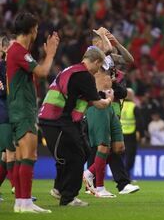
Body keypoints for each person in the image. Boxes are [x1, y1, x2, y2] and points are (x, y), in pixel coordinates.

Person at [39, 46, 113, 206]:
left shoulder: (73, 70)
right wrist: (108, 100)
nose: (97, 71)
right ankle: (69, 196)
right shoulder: (84, 75)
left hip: (60, 120)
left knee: (82, 151)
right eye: (99, 67)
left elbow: (82, 96)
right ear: (96, 61)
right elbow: (98, 104)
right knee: (76, 156)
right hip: (57, 120)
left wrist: (100, 97)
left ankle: (60, 189)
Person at [6, 12, 59, 213]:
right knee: (29, 155)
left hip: (17, 108)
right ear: (32, 30)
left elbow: (37, 76)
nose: (37, 32)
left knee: (21, 157)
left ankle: (20, 203)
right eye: (36, 29)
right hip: (23, 109)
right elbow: (43, 72)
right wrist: (51, 54)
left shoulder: (15, 50)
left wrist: (45, 57)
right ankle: (26, 201)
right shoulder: (19, 50)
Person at [84, 28, 139, 196]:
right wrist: (102, 35)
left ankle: (91, 175)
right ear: (96, 43)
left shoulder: (108, 58)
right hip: (98, 102)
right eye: (103, 39)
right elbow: (106, 49)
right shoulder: (91, 54)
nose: (106, 41)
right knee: (104, 146)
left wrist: (117, 42)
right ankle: (103, 184)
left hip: (109, 104)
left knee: (117, 147)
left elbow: (129, 60)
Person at [0, 33, 15, 202]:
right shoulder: (2, 67)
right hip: (4, 114)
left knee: (5, 155)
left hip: (11, 113)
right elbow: (4, 91)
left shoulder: (12, 67)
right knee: (11, 151)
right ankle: (18, 190)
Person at [120, 88, 144, 178]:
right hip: (131, 134)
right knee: (130, 156)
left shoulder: (119, 105)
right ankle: (126, 175)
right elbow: (139, 122)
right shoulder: (134, 106)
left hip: (120, 134)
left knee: (119, 156)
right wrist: (140, 133)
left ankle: (121, 175)